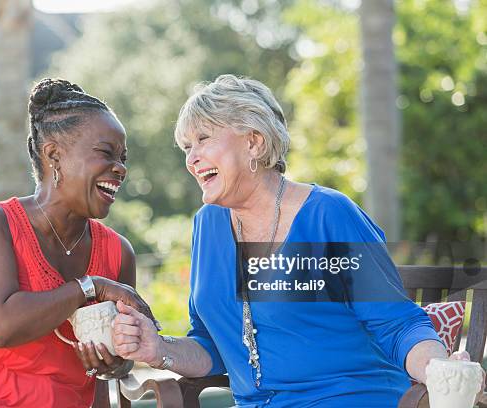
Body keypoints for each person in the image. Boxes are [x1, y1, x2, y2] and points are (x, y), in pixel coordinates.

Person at [110, 74, 480, 407]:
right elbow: (210, 344)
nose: (192, 159)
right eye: (186, 147)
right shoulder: (207, 225)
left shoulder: (328, 215)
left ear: (253, 142)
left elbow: (397, 324)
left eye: (203, 139)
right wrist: (158, 349)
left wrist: (438, 368)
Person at [0, 78, 156, 408]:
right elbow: (0, 327)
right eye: (106, 153)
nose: (120, 168)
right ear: (54, 154)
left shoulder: (117, 252)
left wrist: (115, 361)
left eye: (123, 157)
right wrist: (90, 287)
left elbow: (125, 354)